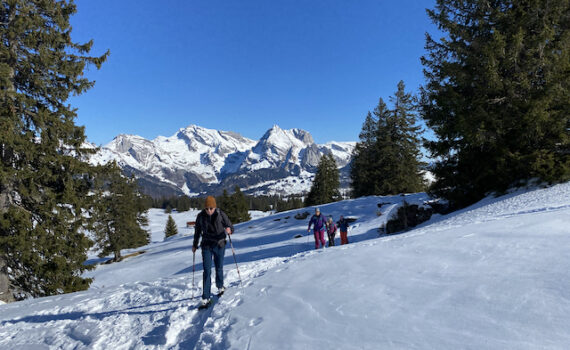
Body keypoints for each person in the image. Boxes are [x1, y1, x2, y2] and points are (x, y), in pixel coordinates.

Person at [192, 196, 234, 308]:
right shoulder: (200, 217)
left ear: (214, 207)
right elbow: (197, 232)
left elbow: (230, 226)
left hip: (219, 245)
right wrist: (195, 244)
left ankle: (220, 287)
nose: (209, 210)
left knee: (219, 267)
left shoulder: (220, 214)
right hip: (206, 246)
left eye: (211, 208)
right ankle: (205, 297)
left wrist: (229, 230)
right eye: (207, 208)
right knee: (207, 270)